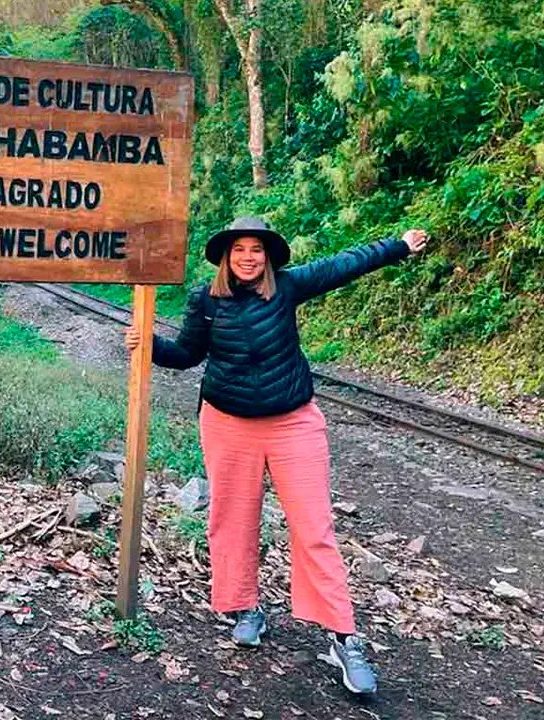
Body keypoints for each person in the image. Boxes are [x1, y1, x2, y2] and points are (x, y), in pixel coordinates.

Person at [125, 217, 429, 695]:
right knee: (231, 520)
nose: (248, 257)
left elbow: (344, 264)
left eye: (257, 249)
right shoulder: (206, 300)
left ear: (267, 257)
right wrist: (149, 346)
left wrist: (398, 247)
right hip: (227, 422)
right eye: (239, 249)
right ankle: (244, 608)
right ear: (226, 257)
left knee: (314, 527)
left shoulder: (287, 287)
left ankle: (343, 636)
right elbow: (186, 354)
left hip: (292, 420)